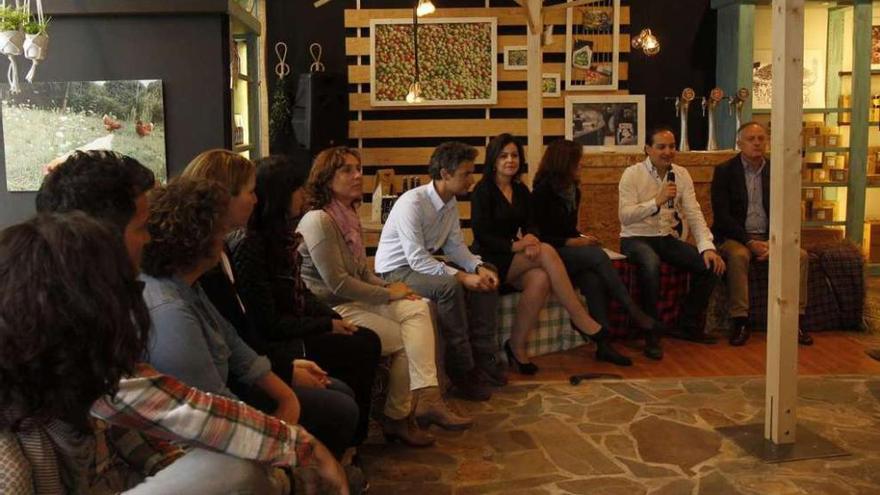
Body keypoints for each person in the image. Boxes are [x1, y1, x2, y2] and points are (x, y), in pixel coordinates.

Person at [28, 150, 348, 493]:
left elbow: (132, 424)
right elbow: (180, 407)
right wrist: (297, 447)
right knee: (239, 470)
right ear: (98, 238)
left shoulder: (104, 302)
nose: (150, 237)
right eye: (141, 227)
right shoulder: (108, 310)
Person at [180, 149, 363, 457]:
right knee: (340, 402)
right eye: (250, 192)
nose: (255, 199)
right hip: (236, 387)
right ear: (222, 197)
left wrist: (283, 368)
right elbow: (231, 353)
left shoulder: (222, 249)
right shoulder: (213, 261)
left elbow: (237, 332)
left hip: (255, 365)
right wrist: (282, 372)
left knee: (345, 382)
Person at [298, 146, 473, 443]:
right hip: (330, 306)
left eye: (358, 169)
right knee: (406, 335)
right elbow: (337, 284)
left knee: (418, 306)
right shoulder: (318, 220)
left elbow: (361, 271)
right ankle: (398, 417)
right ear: (327, 178)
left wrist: (391, 290)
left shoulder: (349, 213)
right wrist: (389, 294)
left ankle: (429, 397)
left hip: (356, 298)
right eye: (347, 170)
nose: (357, 176)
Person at [231, 155, 382, 449]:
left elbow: (302, 292)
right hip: (279, 341)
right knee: (363, 344)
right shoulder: (251, 245)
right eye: (298, 189)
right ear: (280, 194)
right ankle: (352, 442)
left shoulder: (281, 237)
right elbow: (268, 323)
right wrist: (326, 323)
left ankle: (353, 439)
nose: (304, 195)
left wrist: (333, 320)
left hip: (295, 328)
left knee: (363, 338)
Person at [470, 134, 633, 372]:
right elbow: (482, 234)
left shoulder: (520, 189)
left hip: (513, 258)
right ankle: (578, 316)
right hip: (489, 259)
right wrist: (518, 245)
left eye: (514, 155)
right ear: (493, 160)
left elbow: (532, 224)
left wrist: (532, 238)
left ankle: (516, 346)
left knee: (541, 278)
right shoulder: (482, 190)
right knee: (546, 251)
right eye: (503, 155)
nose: (510, 160)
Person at [373, 141, 504, 401]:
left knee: (487, 272)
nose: (472, 179)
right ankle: (461, 371)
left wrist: (477, 267)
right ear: (445, 174)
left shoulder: (450, 202)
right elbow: (417, 258)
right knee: (449, 286)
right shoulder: (412, 202)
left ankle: (484, 357)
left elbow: (456, 248)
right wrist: (462, 276)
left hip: (418, 266)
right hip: (395, 271)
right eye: (466, 173)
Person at [529, 138, 662, 360]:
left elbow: (567, 228)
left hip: (566, 249)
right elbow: (538, 235)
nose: (581, 165)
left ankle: (603, 345)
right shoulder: (542, 193)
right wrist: (571, 242)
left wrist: (581, 237)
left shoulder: (573, 191)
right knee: (597, 256)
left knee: (592, 278)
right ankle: (634, 312)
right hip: (548, 253)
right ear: (564, 164)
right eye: (577, 162)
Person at [618, 126, 726, 357]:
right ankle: (651, 332)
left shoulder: (681, 174)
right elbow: (624, 216)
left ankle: (686, 325)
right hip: (635, 238)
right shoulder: (632, 174)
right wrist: (655, 202)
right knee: (650, 263)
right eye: (661, 147)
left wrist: (707, 247)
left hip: (665, 238)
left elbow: (694, 213)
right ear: (647, 149)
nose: (667, 152)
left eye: (671, 146)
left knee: (709, 266)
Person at [711, 122, 813, 346]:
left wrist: (776, 242)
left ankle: (796, 321)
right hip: (736, 237)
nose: (757, 143)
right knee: (738, 256)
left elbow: (787, 211)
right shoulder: (725, 171)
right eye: (751, 139)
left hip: (770, 236)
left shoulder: (777, 171)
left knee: (800, 256)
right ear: (739, 143)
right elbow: (722, 216)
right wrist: (749, 242)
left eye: (761, 138)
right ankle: (740, 321)